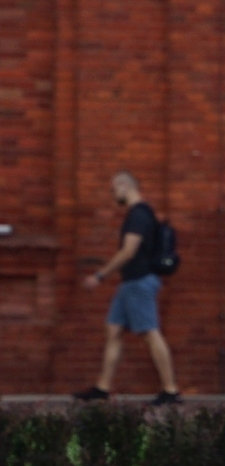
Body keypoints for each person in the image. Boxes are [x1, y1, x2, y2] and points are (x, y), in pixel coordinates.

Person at [73, 171, 179, 404]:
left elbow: (128, 251)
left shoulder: (139, 215)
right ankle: (102, 388)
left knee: (150, 333)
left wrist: (100, 275)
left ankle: (170, 390)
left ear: (124, 186)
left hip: (139, 281)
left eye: (113, 190)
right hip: (129, 283)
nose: (113, 195)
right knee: (113, 330)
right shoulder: (140, 214)